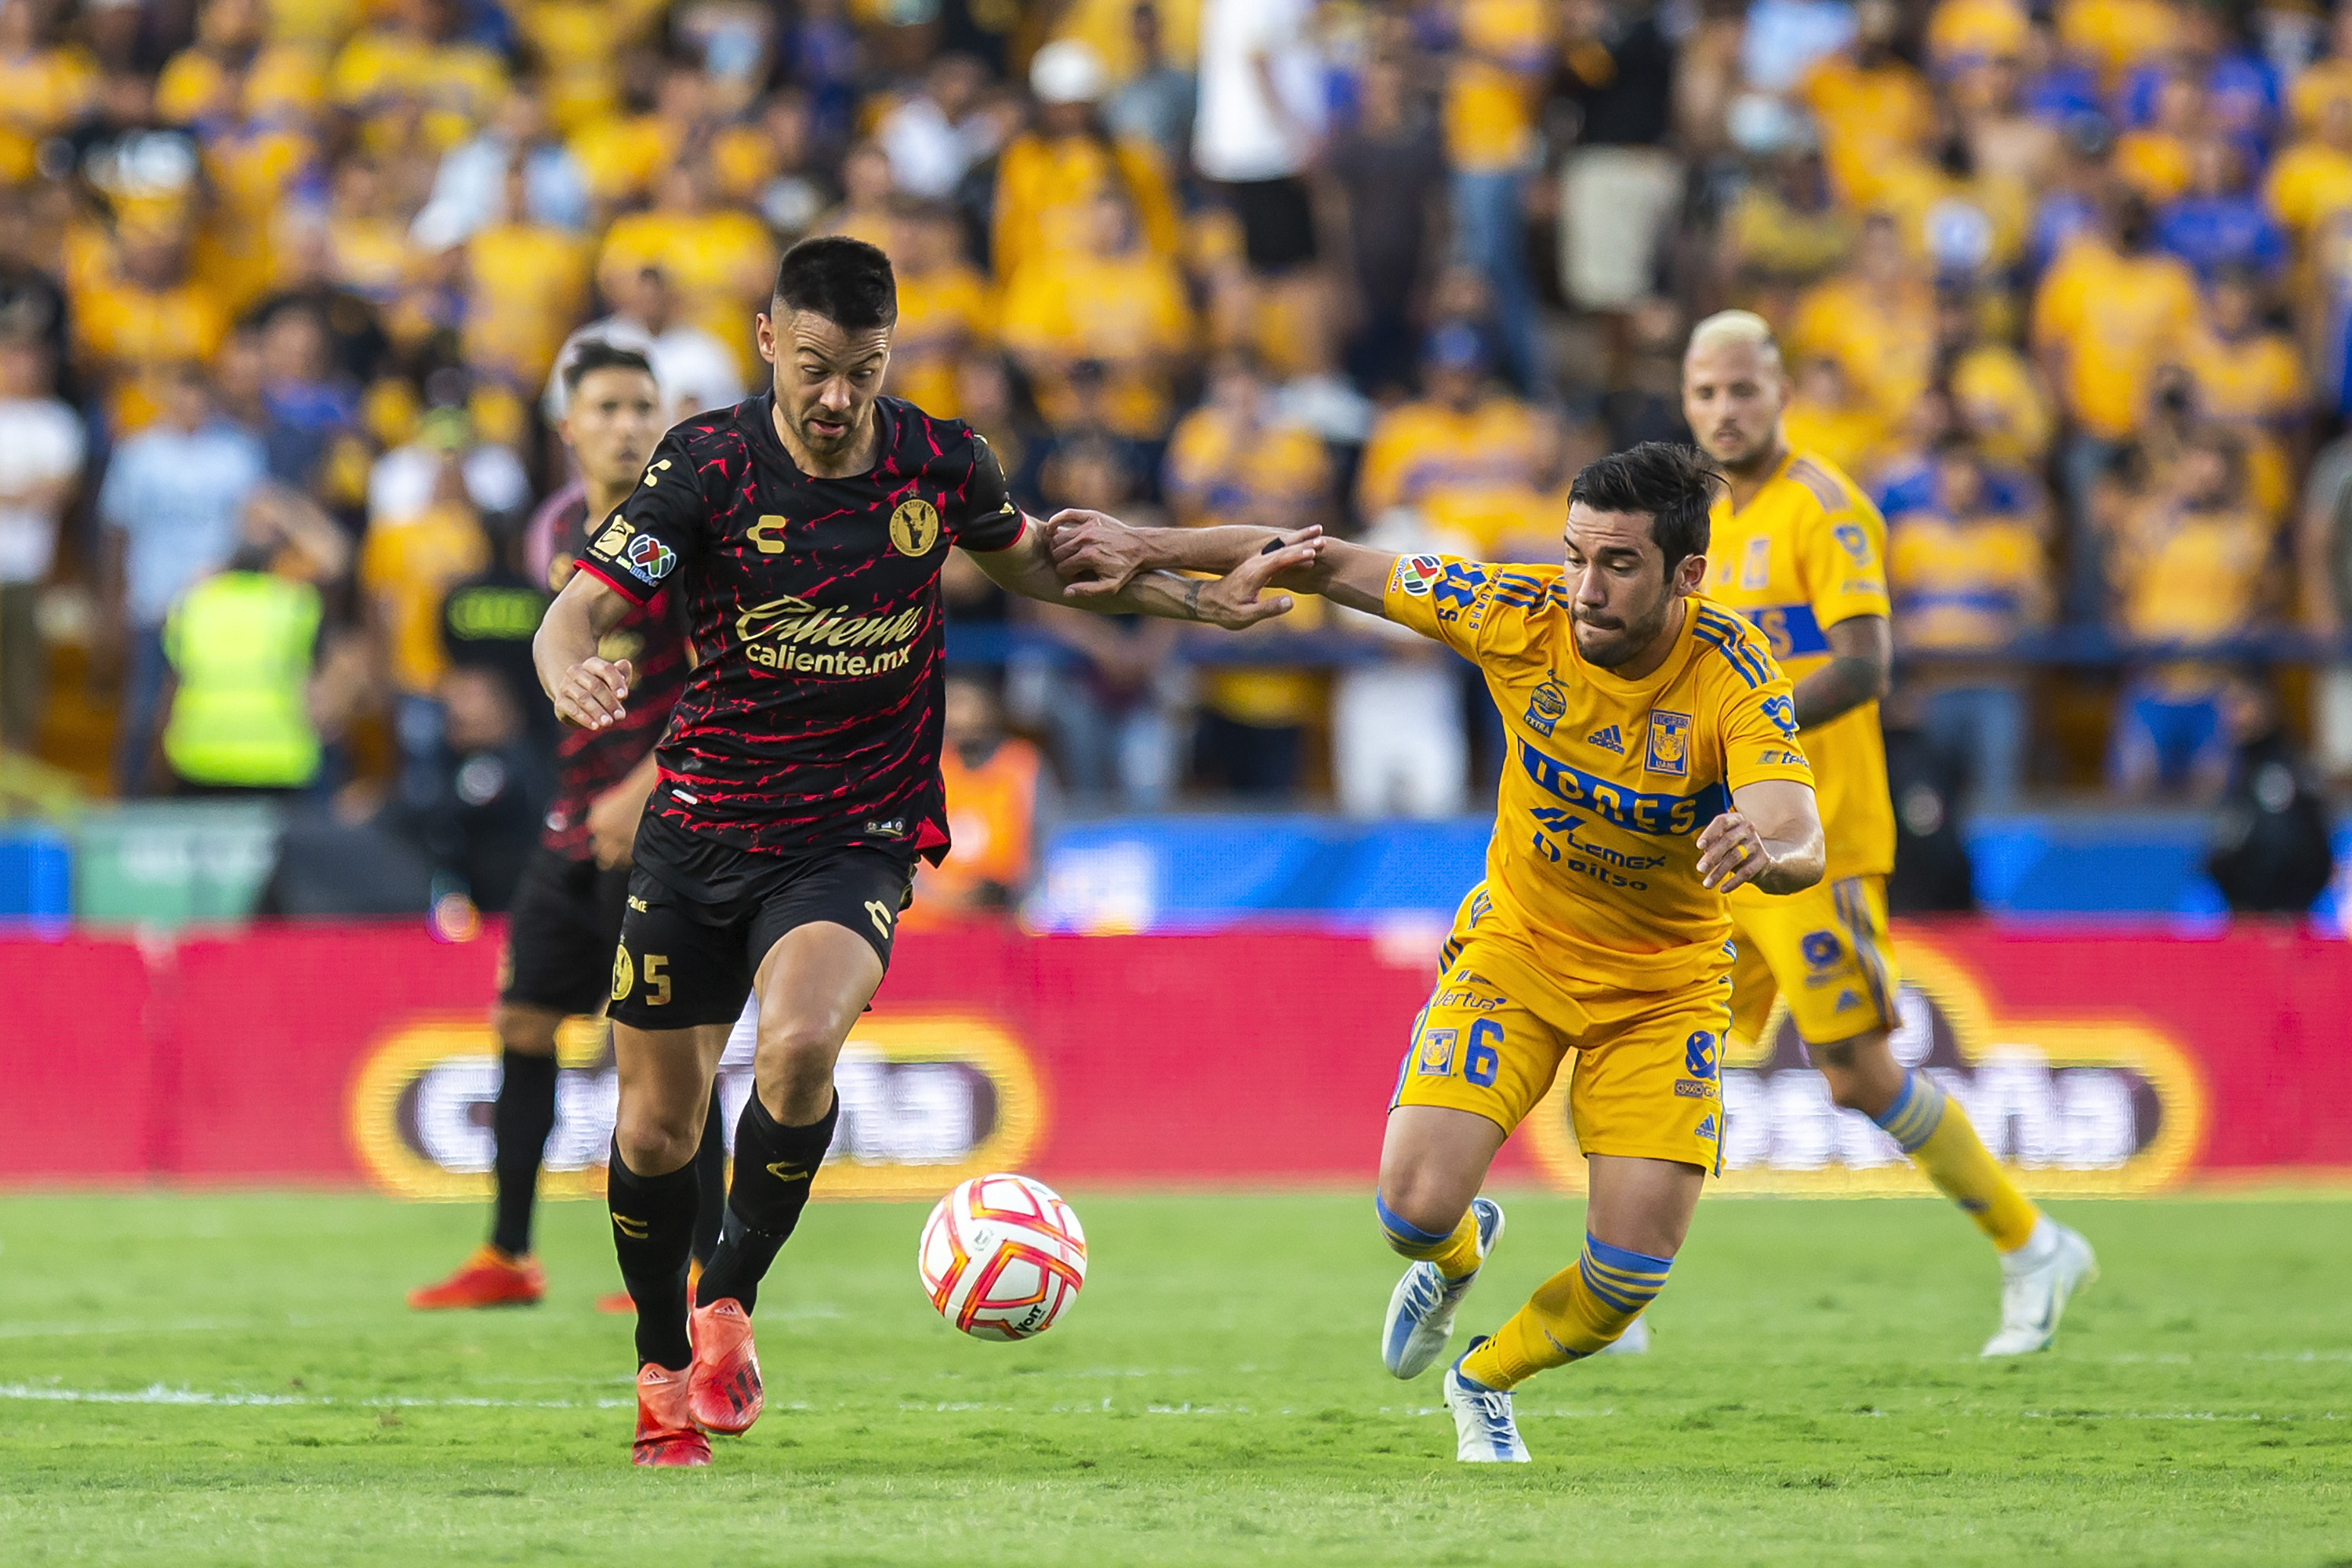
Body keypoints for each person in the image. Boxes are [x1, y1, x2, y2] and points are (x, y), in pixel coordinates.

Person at [531, 236, 1308, 1466]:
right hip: (700, 827)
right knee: (654, 1134)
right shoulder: (706, 463)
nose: (839, 398)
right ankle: (658, 1368)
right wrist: (565, 664)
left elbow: (1053, 568)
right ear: (765, 343)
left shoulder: (942, 464)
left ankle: (724, 1298)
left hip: (854, 831)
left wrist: (1202, 597)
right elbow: (578, 608)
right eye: (816, 368)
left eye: (866, 369)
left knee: (795, 1045)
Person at [1047, 443, 1828, 1462]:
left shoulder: (1733, 671)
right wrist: (1145, 541)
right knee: (1413, 1213)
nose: (1584, 588)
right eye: (1574, 555)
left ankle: (1483, 1380)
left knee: (1628, 1274)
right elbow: (1317, 558)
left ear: (1688, 574)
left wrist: (1767, 849)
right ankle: (1457, 1257)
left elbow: (1797, 827)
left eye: (1619, 565)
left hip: (1665, 987)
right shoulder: (1520, 611)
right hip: (1519, 950)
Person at [1682, 310, 2094, 1354]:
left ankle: (2031, 1242)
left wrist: (1738, 734)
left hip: (1815, 844)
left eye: (1741, 389)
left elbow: (1866, 669)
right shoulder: (1692, 522)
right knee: (1653, 1041)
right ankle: (1619, 1286)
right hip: (1721, 843)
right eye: (1705, 393)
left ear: (1781, 392)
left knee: (1857, 1075)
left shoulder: (1830, 508)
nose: (1724, 410)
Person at [408, 342, 726, 1312]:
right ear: (569, 429)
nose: (629, 424)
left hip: (668, 820)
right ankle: (508, 1254)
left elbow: (730, 672)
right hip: (573, 820)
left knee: (666, 1046)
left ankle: (696, 1265)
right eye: (609, 407)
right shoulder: (557, 529)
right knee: (522, 1019)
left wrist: (646, 785)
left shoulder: (690, 533)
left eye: (644, 406)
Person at [98, 364, 269, 795]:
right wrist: (113, 603)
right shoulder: (138, 455)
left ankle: (198, 795)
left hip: (214, 606)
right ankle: (132, 799)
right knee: (144, 707)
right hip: (153, 598)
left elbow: (254, 527)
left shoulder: (237, 454)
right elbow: (116, 533)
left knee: (205, 710)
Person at [0, 332, 83, 753]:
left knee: (21, 683)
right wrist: (24, 492)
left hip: (27, 569)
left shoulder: (56, 421)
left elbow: (59, 489)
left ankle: (14, 781)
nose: (21, 368)